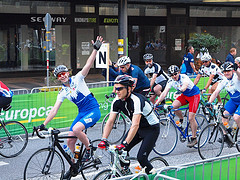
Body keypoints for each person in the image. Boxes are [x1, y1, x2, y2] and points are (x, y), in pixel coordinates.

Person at [36, 36, 103, 179]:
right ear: (57, 78)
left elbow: (88, 65)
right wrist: (43, 124)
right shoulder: (62, 92)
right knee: (70, 141)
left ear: (68, 73)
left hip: (93, 110)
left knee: (77, 129)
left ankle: (89, 149)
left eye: (64, 73)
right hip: (82, 112)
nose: (62, 76)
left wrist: (95, 50)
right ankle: (73, 167)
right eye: (59, 75)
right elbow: (54, 110)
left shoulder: (78, 78)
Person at [98, 75, 160, 175]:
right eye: (115, 88)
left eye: (120, 89)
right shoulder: (117, 101)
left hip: (151, 129)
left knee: (141, 157)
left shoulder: (136, 100)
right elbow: (110, 121)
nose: (116, 91)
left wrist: (125, 143)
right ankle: (127, 174)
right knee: (121, 152)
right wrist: (103, 139)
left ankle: (154, 175)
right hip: (138, 129)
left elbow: (135, 124)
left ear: (129, 89)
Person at [154, 65, 200, 147]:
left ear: (178, 72)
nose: (174, 76)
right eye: (172, 75)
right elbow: (164, 93)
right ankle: (181, 119)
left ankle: (194, 138)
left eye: (175, 74)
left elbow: (185, 86)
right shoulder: (170, 81)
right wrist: (156, 103)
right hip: (185, 95)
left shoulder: (184, 77)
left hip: (194, 95)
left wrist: (180, 90)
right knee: (173, 106)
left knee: (190, 118)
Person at [207, 62, 240, 145]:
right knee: (224, 115)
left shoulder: (237, 77)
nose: (226, 73)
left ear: (232, 71)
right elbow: (216, 92)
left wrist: (237, 70)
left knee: (236, 117)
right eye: (224, 72)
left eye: (228, 71)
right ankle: (227, 135)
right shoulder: (224, 80)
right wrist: (209, 102)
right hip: (233, 100)